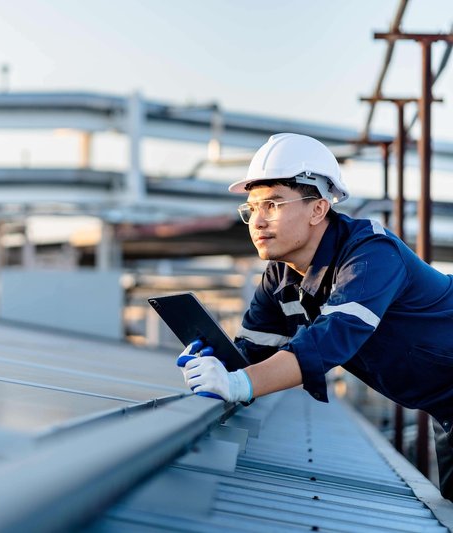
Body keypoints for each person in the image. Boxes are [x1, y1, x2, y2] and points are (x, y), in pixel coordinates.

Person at [181, 132, 453, 500]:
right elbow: (252, 356)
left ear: (318, 208)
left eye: (273, 204)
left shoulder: (371, 254)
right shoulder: (281, 277)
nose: (257, 222)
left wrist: (239, 384)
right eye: (251, 208)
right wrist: (215, 365)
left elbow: (330, 339)